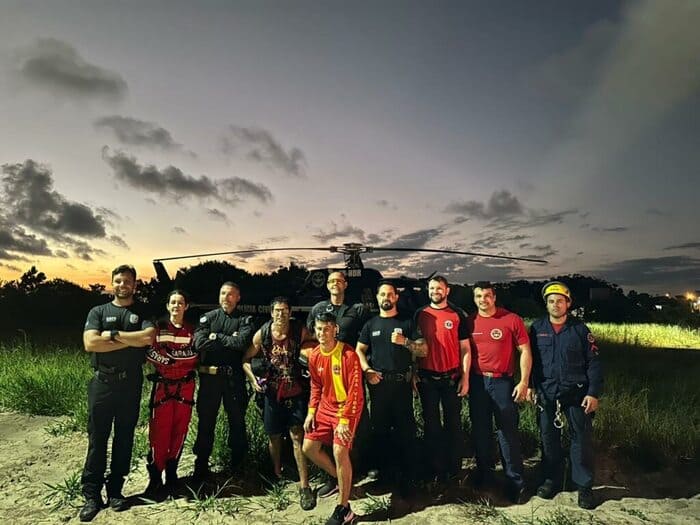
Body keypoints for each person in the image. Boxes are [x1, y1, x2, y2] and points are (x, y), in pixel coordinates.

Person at [79, 264, 155, 522]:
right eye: (119, 281)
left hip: (130, 384)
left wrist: (112, 336)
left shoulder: (142, 312)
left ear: (135, 284)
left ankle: (115, 491)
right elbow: (90, 343)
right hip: (102, 383)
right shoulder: (98, 311)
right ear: (112, 283)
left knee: (124, 438)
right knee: (97, 438)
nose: (123, 285)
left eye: (128, 281)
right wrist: (129, 339)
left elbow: (148, 338)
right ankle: (91, 495)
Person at [529, 281, 603, 510]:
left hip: (576, 394)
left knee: (581, 440)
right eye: (551, 301)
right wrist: (530, 386)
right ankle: (551, 479)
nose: (555, 305)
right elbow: (530, 361)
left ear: (568, 303)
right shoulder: (537, 328)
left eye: (560, 301)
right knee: (548, 439)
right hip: (547, 393)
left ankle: (584, 486)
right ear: (546, 304)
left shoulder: (580, 330)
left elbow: (594, 363)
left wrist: (593, 393)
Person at [355, 281, 427, 500]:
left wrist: (406, 342)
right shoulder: (371, 324)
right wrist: (367, 370)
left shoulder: (407, 321)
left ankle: (409, 478)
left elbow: (423, 350)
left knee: (406, 432)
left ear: (396, 297)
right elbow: (359, 350)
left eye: (390, 294)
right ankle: (384, 477)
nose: (386, 297)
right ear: (377, 298)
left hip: (402, 385)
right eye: (382, 294)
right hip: (379, 386)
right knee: (381, 431)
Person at [242, 297, 315, 511]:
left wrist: (310, 357)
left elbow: (317, 342)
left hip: (296, 391)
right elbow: (245, 359)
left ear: (290, 312)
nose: (280, 314)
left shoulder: (298, 331)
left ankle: (304, 485)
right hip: (272, 394)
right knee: (273, 436)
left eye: (284, 310)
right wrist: (253, 380)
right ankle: (277, 474)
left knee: (297, 436)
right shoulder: (263, 334)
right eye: (277, 310)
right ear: (271, 312)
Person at [467, 281, 532, 503]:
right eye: (478, 296)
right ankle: (485, 477)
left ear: (494, 297)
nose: (483, 300)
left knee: (507, 432)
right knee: (481, 431)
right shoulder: (469, 321)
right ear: (474, 299)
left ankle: (515, 482)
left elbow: (525, 351)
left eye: (487, 295)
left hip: (503, 382)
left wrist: (524, 382)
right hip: (477, 382)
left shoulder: (511, 319)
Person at [302, 312, 364, 525]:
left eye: (326, 329)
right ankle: (341, 480)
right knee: (308, 447)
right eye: (319, 329)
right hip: (325, 407)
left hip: (347, 408)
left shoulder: (349, 354)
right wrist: (311, 411)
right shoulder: (314, 355)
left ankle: (344, 509)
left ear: (335, 329)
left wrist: (345, 420)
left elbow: (355, 390)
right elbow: (316, 386)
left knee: (339, 451)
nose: (322, 333)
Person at [192, 281, 254, 482]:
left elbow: (241, 343)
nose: (226, 297)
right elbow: (199, 343)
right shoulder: (208, 318)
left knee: (237, 422)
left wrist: (216, 336)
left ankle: (238, 466)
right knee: (206, 422)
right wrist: (228, 340)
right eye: (223, 293)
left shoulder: (244, 320)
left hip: (233, 379)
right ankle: (201, 466)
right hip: (210, 379)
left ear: (238, 298)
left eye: (230, 294)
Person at [415, 275, 471, 484]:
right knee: (431, 426)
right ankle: (434, 470)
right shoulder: (420, 314)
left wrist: (465, 377)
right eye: (431, 288)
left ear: (447, 291)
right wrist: (413, 373)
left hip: (451, 378)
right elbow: (414, 346)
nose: (435, 292)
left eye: (439, 288)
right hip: (427, 379)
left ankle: (454, 470)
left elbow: (465, 348)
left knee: (453, 425)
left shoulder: (457, 314)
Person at [144, 290, 197, 498]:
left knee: (180, 429)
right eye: (173, 302)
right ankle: (155, 477)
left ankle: (172, 473)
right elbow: (150, 352)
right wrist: (172, 360)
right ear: (167, 306)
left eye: (180, 303)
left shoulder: (192, 330)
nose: (176, 306)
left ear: (186, 306)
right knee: (160, 431)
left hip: (185, 387)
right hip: (163, 387)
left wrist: (173, 358)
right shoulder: (158, 328)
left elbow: (195, 356)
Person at [306, 271, 368, 348]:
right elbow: (310, 334)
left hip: (349, 354)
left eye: (339, 281)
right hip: (326, 353)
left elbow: (366, 336)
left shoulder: (358, 309)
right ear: (328, 285)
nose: (335, 283)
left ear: (345, 285)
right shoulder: (318, 308)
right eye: (332, 281)